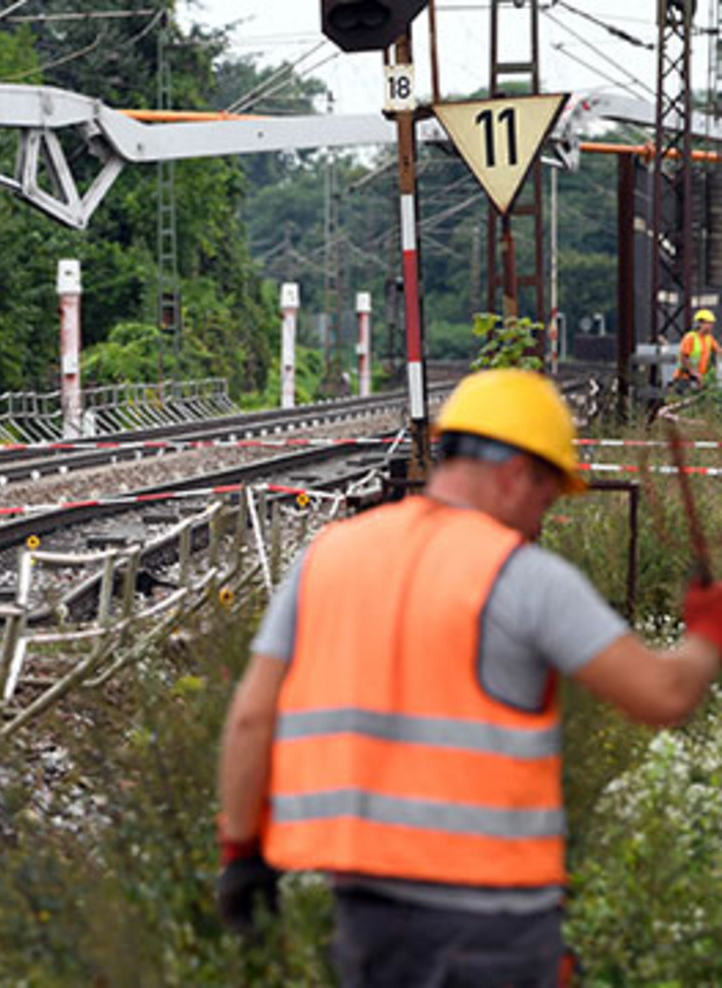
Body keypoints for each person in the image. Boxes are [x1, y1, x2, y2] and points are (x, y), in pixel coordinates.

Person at [214, 368, 722, 986]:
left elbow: (249, 718)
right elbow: (663, 696)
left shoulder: (327, 557)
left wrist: (242, 855)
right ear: (515, 476)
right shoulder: (524, 578)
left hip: (368, 927)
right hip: (497, 932)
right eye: (547, 497)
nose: (543, 519)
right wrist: (706, 635)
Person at [674, 309, 717, 389]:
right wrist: (693, 373)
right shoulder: (690, 338)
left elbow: (719, 351)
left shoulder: (709, 338)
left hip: (698, 379)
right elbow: (683, 357)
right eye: (708, 323)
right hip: (685, 378)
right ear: (700, 324)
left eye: (712, 323)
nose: (711, 326)